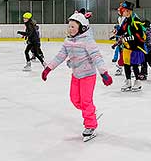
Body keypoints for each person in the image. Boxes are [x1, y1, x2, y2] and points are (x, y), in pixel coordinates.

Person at [41, 13, 112, 141]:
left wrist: (104, 73)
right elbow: (60, 56)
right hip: (76, 75)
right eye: (69, 26)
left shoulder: (87, 41)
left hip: (88, 75)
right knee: (75, 100)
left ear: (81, 28)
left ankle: (90, 125)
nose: (70, 29)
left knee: (85, 101)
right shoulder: (68, 41)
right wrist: (48, 68)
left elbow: (97, 56)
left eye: (73, 27)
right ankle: (91, 111)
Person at [116, 1, 146, 91]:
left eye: (123, 11)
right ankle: (128, 81)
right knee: (126, 64)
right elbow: (121, 30)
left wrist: (125, 39)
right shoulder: (126, 20)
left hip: (135, 47)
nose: (122, 13)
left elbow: (139, 35)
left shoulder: (136, 21)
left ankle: (137, 81)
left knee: (135, 65)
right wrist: (117, 34)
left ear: (128, 11)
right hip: (127, 47)